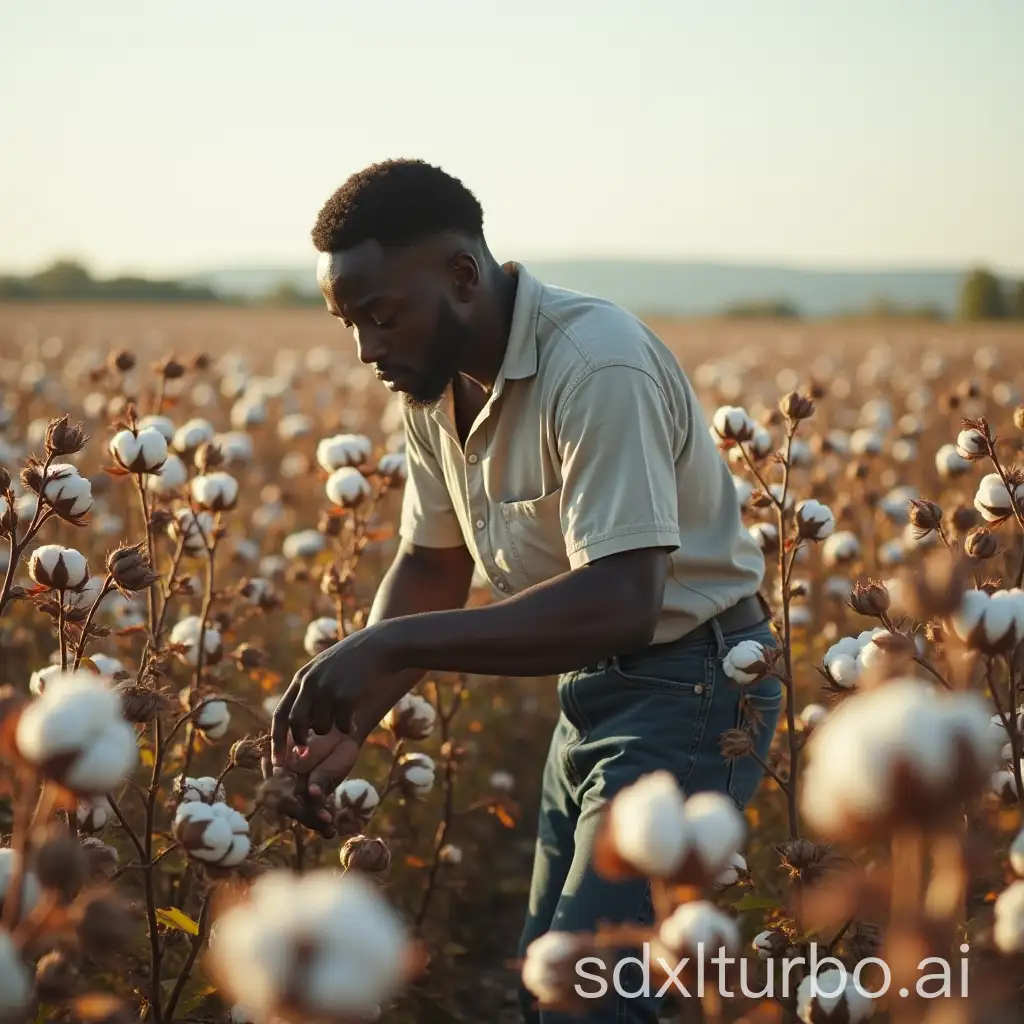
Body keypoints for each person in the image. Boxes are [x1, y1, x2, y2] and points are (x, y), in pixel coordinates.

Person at [266, 157, 783, 1023]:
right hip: (594, 688)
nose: (366, 349)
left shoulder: (596, 364)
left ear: (461, 276)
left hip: (695, 692)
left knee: (592, 995)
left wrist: (389, 646)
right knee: (551, 978)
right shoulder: (432, 385)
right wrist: (345, 724)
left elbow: (623, 598)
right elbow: (433, 566)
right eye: (348, 324)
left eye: (379, 315)